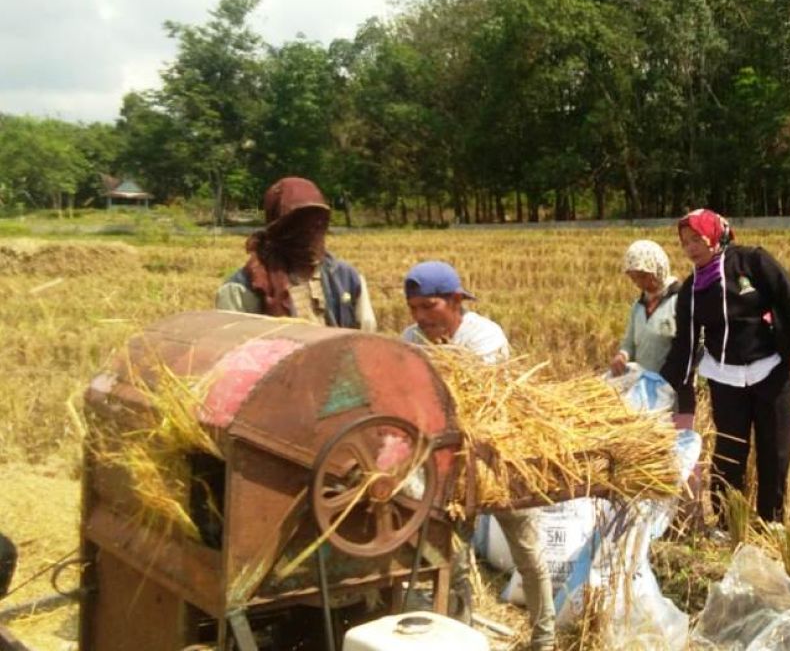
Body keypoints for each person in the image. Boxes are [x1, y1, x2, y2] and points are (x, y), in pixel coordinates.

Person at [401, 261, 555, 651]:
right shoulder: (410, 339)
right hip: (447, 465)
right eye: (414, 308)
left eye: (429, 306)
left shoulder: (484, 337)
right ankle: (462, 636)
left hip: (499, 459)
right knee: (452, 558)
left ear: (455, 300)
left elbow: (475, 402)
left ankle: (544, 639)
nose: (420, 317)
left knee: (527, 552)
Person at [660, 209, 790, 525]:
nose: (691, 248)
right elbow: (686, 343)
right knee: (729, 452)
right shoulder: (692, 290)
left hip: (770, 370)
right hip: (725, 377)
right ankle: (726, 520)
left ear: (715, 234)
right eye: (685, 243)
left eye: (696, 239)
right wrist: (664, 383)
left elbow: (789, 298)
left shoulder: (751, 261)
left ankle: (770, 520)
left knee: (774, 450)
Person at [215, 177, 376, 331]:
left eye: (316, 221)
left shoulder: (346, 278)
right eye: (300, 223)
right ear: (278, 229)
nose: (311, 230)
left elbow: (365, 337)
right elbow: (232, 348)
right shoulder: (242, 287)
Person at [609, 240, 681, 376]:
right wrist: (622, 355)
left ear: (658, 270)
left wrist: (671, 376)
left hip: (672, 386)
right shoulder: (638, 306)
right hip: (643, 385)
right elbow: (629, 342)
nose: (638, 283)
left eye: (642, 277)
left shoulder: (679, 301)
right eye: (633, 278)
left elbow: (692, 347)